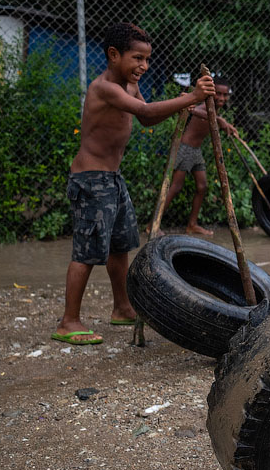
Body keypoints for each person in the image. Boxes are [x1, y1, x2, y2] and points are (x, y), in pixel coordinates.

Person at [52, 22, 214, 345]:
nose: (144, 66)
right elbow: (144, 109)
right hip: (91, 179)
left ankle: (122, 307)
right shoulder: (104, 88)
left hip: (112, 177)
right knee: (87, 251)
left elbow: (147, 117)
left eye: (147, 59)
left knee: (120, 244)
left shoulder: (129, 85)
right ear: (114, 55)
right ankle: (68, 321)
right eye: (137, 58)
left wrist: (187, 102)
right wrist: (190, 98)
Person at [159, 78, 239, 235]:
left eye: (225, 95)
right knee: (175, 187)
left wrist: (227, 127)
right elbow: (195, 110)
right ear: (212, 92)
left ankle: (192, 225)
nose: (222, 98)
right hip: (185, 148)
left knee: (202, 186)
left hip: (196, 151)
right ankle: (153, 225)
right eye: (219, 94)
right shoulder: (205, 107)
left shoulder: (214, 111)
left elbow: (214, 120)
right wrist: (219, 120)